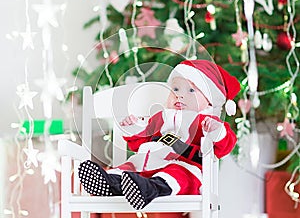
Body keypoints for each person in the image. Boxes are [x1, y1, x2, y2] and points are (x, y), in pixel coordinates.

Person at [78, 59, 240, 210]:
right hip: (146, 162)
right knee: (128, 167)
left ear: (209, 101)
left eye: (191, 90)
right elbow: (138, 143)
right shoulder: (160, 117)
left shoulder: (204, 121)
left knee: (176, 173)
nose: (179, 95)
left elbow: (225, 145)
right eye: (175, 89)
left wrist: (216, 131)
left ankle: (149, 189)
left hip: (183, 166)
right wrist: (134, 127)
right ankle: (108, 182)